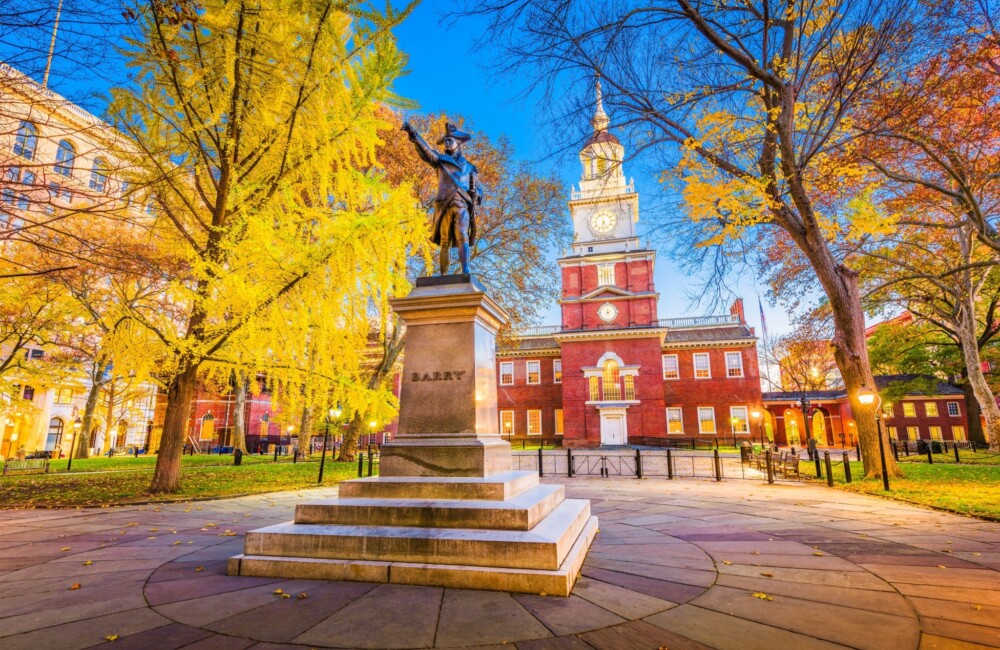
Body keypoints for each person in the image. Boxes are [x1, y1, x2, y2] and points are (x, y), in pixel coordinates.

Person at [401, 121, 482, 275]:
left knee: (462, 236)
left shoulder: (470, 167)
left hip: (462, 205)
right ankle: (443, 275)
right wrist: (414, 135)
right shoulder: (439, 160)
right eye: (445, 140)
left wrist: (475, 194)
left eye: (449, 140)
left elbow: (479, 190)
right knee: (444, 241)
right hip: (444, 204)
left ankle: (466, 270)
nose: (446, 142)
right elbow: (426, 151)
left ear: (458, 143)